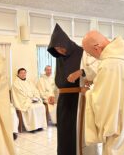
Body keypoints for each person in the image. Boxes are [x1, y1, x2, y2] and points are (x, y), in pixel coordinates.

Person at [48, 23, 84, 155]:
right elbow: (58, 78)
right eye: (56, 49)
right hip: (63, 100)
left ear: (66, 43)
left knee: (76, 131)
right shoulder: (59, 57)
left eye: (61, 48)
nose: (60, 51)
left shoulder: (81, 52)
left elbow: (92, 71)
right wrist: (54, 94)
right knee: (63, 132)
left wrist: (80, 72)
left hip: (78, 99)